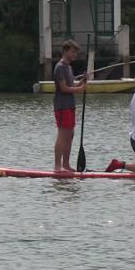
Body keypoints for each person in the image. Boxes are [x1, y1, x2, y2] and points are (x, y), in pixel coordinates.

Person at [52, 40, 87, 173]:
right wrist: (80, 89)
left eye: (76, 52)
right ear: (66, 51)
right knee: (62, 134)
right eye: (73, 52)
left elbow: (72, 86)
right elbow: (64, 88)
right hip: (62, 105)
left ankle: (66, 165)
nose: (75, 55)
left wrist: (82, 82)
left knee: (70, 134)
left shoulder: (69, 67)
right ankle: (57, 166)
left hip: (70, 105)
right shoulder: (60, 67)